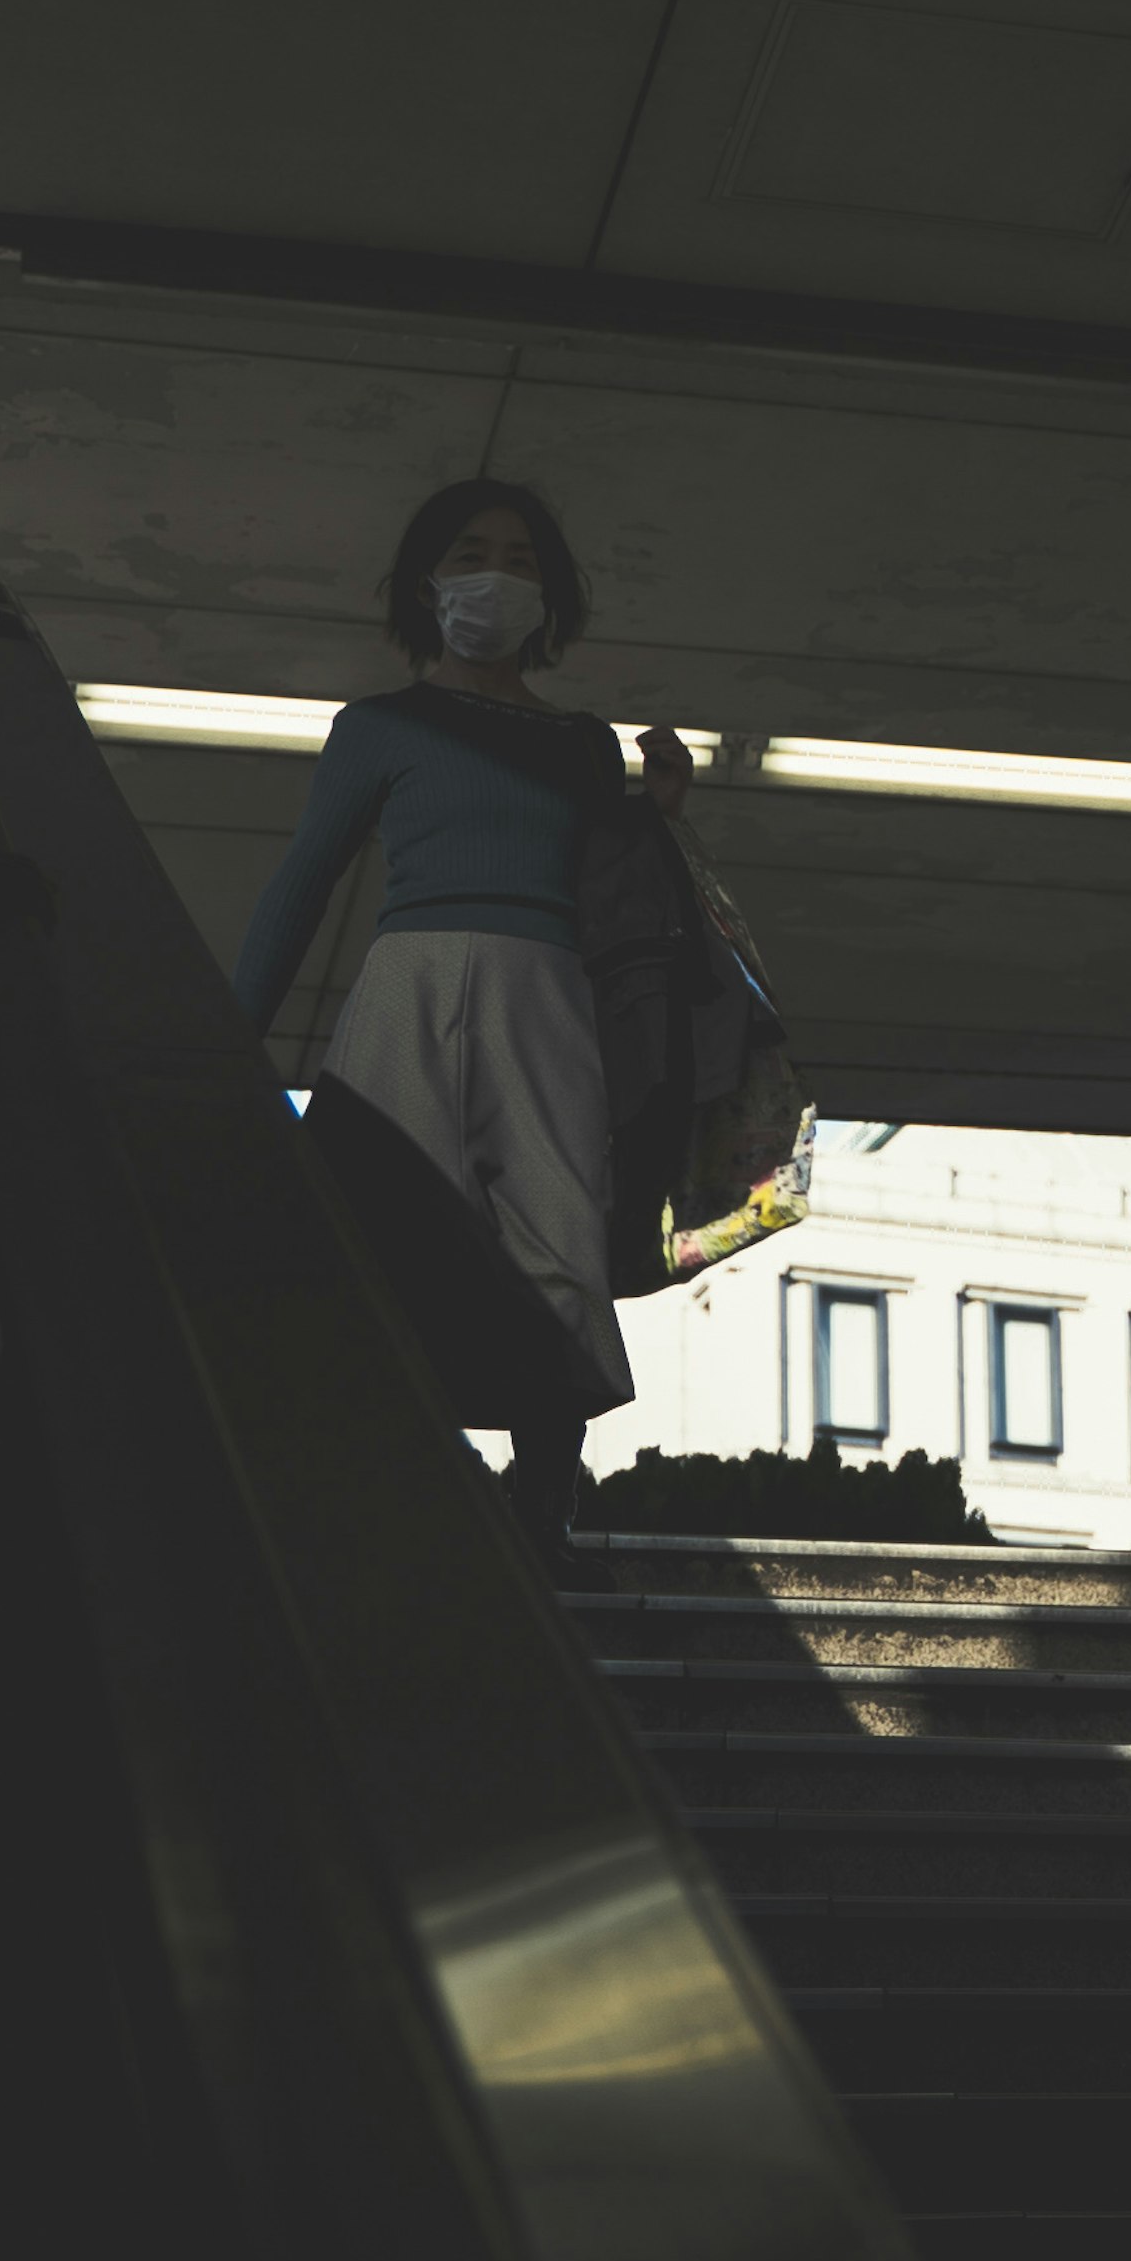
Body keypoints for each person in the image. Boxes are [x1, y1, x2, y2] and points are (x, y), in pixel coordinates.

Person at [231, 483, 691, 1568]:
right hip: (412, 989)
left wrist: (655, 819)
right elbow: (303, 882)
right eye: (474, 552)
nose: (499, 573)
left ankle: (542, 1511)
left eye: (522, 558)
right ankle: (404, 1481)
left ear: (550, 593)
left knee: (557, 1236)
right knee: (382, 1226)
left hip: (549, 998)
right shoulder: (380, 726)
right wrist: (225, 1030)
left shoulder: (586, 745)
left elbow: (610, 888)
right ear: (427, 582)